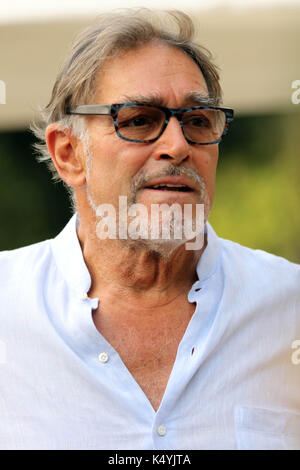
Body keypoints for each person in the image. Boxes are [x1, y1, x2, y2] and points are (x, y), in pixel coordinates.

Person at [0, 9, 299, 451]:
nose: (177, 146)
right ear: (69, 154)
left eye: (198, 121)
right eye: (139, 119)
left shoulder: (288, 308)